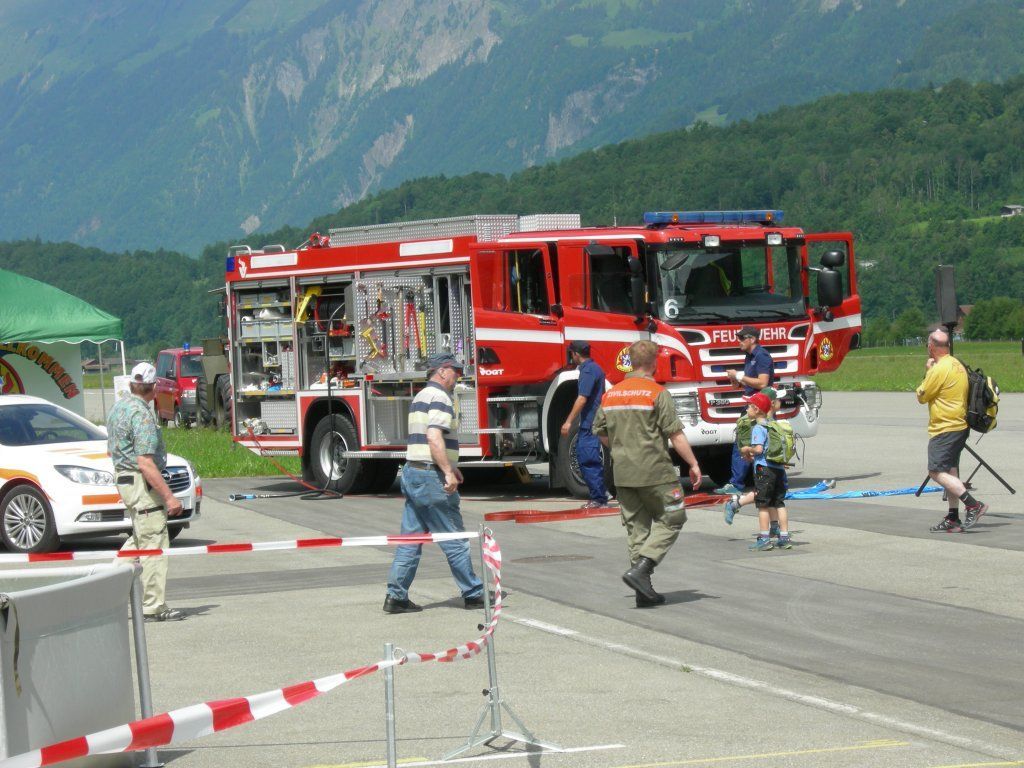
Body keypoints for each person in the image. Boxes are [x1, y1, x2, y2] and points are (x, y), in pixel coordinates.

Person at [592, 340, 702, 608]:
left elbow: (600, 431)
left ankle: (644, 592)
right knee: (673, 519)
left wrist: (622, 448)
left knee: (636, 531)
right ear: (654, 363)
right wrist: (693, 464)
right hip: (656, 472)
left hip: (624, 474)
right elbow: (674, 434)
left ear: (630, 362)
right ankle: (643, 569)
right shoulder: (656, 393)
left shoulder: (612, 394)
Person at [384, 353, 485, 613]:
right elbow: (433, 437)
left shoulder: (421, 396)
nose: (458, 376)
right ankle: (474, 593)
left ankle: (396, 597)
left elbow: (426, 439)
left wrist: (451, 466)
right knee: (455, 537)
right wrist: (447, 473)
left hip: (414, 472)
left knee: (411, 539)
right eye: (455, 371)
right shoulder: (441, 397)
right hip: (431, 477)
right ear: (442, 371)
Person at [107, 362, 185, 622]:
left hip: (125, 479)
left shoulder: (118, 408)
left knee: (139, 541)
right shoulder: (141, 414)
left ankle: (101, 588)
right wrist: (169, 496)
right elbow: (145, 462)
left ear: (131, 384)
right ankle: (153, 606)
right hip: (141, 482)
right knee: (154, 542)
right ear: (153, 388)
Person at [917, 328, 988, 532]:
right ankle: (953, 517)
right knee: (951, 471)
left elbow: (922, 396)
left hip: (945, 428)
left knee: (936, 471)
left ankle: (973, 504)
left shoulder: (939, 369)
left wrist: (929, 370)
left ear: (931, 346)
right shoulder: (957, 364)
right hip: (960, 425)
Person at [715, 326, 775, 496]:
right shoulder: (749, 356)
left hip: (760, 407)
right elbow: (749, 382)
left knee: (751, 443)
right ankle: (751, 480)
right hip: (753, 406)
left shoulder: (761, 355)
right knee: (748, 442)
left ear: (753, 339)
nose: (739, 341)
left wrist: (740, 376)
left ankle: (739, 483)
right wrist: (736, 380)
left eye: (742, 338)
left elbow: (763, 383)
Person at [723, 387, 784, 539]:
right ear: (773, 403)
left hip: (770, 464)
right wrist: (748, 452)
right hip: (764, 465)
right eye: (778, 400)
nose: (781, 403)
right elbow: (755, 447)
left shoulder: (770, 422)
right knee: (764, 496)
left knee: (767, 496)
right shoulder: (759, 424)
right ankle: (736, 505)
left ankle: (774, 526)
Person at [734, 391, 791, 551]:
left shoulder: (759, 428)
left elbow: (758, 449)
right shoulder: (773, 425)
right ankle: (784, 537)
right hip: (779, 469)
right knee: (779, 503)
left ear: (757, 409)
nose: (746, 410)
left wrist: (747, 448)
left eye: (749, 407)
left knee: (763, 505)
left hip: (764, 469)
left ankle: (765, 538)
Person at [561, 340, 609, 509]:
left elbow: (582, 398)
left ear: (575, 354)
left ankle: (599, 498)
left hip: (590, 423)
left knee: (588, 459)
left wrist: (568, 422)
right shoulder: (595, 368)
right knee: (590, 458)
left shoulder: (588, 370)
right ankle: (601, 494)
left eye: (571, 354)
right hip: (594, 421)